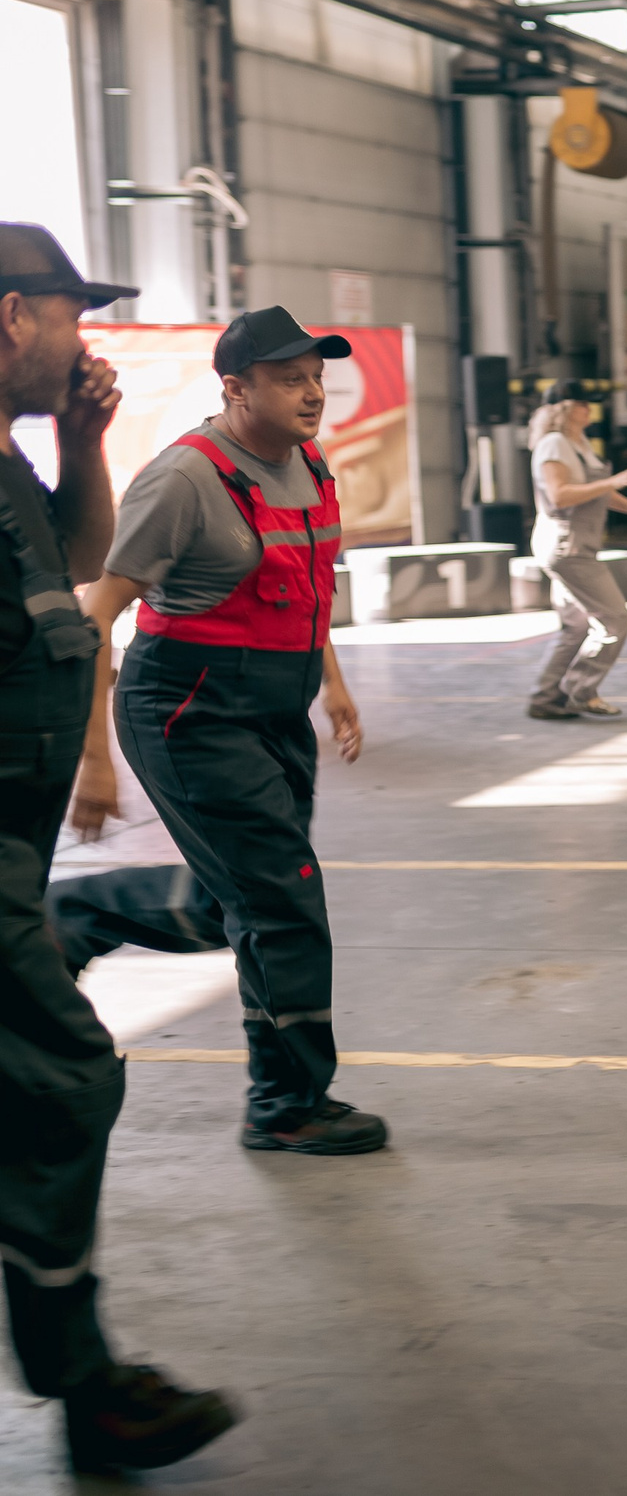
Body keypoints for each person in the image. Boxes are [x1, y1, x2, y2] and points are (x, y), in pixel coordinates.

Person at [0, 224, 235, 1474]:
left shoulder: (11, 464)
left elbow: (82, 570)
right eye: (68, 316)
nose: (80, 341)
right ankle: (83, 1380)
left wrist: (82, 444)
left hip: (16, 856)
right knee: (63, 1079)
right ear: (9, 319)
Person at [50, 305, 389, 1155]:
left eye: (317, 377)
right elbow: (99, 611)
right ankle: (286, 1105)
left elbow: (308, 586)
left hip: (275, 707)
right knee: (282, 900)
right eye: (289, 379)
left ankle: (74, 917)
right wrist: (93, 759)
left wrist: (333, 684)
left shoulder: (308, 463)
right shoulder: (185, 479)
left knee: (241, 898)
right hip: (186, 711)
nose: (313, 394)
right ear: (236, 388)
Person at [525, 381, 627, 720]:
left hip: (575, 543)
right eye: (584, 404)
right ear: (565, 408)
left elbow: (594, 490)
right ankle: (579, 691)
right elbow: (560, 495)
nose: (590, 410)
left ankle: (545, 699)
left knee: (575, 628)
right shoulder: (554, 444)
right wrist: (611, 481)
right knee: (615, 619)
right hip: (567, 546)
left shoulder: (578, 443)